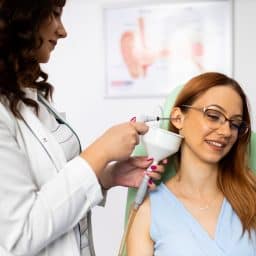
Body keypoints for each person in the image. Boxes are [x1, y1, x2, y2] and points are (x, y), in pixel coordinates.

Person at [0, 1, 165, 255]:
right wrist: (101, 152)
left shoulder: (30, 95)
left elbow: (52, 186)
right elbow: (18, 235)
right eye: (54, 15)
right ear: (21, 17)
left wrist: (107, 177)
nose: (62, 31)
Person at [127, 72, 256, 255]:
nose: (226, 131)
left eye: (235, 124)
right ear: (178, 118)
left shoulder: (251, 197)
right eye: (213, 116)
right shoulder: (149, 212)